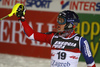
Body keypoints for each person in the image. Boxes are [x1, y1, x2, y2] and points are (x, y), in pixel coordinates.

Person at [15, 5, 96, 67]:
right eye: (58, 20)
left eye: (61, 21)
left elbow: (91, 64)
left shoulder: (81, 41)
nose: (58, 23)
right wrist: (22, 18)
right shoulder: (52, 36)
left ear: (70, 24)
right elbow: (31, 35)